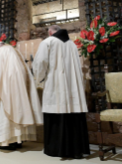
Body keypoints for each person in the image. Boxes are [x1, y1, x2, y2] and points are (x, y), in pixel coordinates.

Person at [33, 25, 90, 159]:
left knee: (57, 111)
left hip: (56, 84)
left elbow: (40, 62)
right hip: (72, 87)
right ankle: (76, 150)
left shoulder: (48, 42)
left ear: (50, 32)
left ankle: (56, 149)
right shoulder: (72, 45)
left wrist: (39, 78)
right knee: (72, 114)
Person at [0, 41, 43, 150]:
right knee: (17, 109)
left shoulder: (2, 50)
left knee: (6, 111)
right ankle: (18, 140)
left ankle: (6, 141)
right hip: (18, 85)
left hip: (6, 87)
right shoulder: (15, 52)